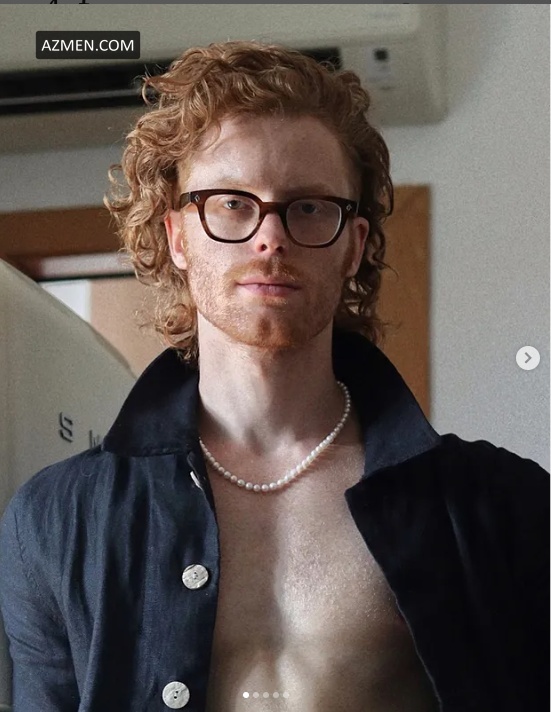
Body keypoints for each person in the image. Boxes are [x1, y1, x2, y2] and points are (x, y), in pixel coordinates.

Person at [0, 40, 548, 712]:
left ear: (354, 245)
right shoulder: (56, 520)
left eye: (309, 206)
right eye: (231, 203)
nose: (270, 238)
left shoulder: (505, 507)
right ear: (178, 237)